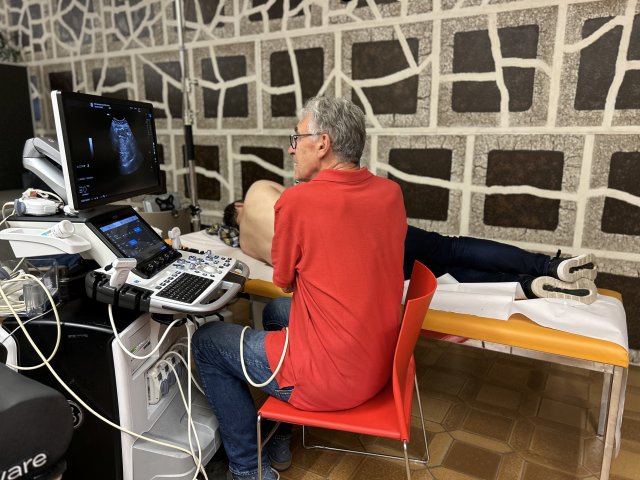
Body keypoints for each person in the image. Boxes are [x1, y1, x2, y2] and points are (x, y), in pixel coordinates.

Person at [192, 96, 407, 480]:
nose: (292, 149)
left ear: (322, 143)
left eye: (297, 138)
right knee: (278, 314)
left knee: (207, 341)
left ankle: (249, 470)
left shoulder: (297, 201)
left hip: (330, 380)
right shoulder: (391, 193)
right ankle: (279, 437)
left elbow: (284, 281)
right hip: (378, 367)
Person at [220, 186, 599, 304]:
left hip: (359, 269)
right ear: (238, 205)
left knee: (447, 274)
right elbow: (299, 196)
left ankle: (528, 287)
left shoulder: (250, 247)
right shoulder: (257, 191)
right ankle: (549, 266)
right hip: (367, 233)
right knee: (450, 248)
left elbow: (284, 265)